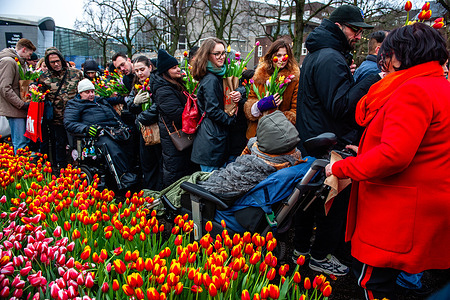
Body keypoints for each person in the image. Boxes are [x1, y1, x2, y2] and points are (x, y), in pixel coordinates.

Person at [326, 23, 450, 299]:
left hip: (398, 209)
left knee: (375, 283)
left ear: (400, 55)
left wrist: (341, 167)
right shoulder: (439, 86)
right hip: (424, 203)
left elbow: (394, 155)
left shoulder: (412, 90)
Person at [293, 5, 379, 277]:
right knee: (331, 201)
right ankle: (319, 256)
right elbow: (341, 107)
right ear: (340, 26)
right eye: (355, 30)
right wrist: (368, 82)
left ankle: (300, 250)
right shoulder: (331, 57)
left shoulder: (323, 54)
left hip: (316, 136)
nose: (358, 36)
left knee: (309, 199)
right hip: (329, 142)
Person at [64, 79, 137, 191]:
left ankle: (134, 172)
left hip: (114, 130)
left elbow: (114, 114)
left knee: (132, 139)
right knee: (111, 147)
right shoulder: (74, 105)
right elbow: (69, 123)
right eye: (87, 92)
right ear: (80, 93)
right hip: (96, 135)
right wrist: (86, 129)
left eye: (92, 91)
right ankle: (123, 177)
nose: (91, 94)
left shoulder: (100, 101)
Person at [150, 49, 199, 187]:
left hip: (179, 133)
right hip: (173, 136)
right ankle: (171, 201)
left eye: (177, 66)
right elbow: (176, 114)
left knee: (182, 170)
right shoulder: (163, 89)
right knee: (174, 172)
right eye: (174, 68)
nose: (178, 69)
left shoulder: (174, 84)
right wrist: (195, 109)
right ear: (165, 71)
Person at [190, 38, 237, 172]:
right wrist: (231, 120)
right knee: (209, 185)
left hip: (211, 138)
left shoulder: (213, 76)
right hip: (211, 141)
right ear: (207, 55)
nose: (221, 57)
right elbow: (212, 110)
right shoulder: (211, 79)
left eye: (223, 53)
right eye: (217, 53)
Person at [244, 39, 299, 139]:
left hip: (281, 135)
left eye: (285, 55)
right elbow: (249, 105)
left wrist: (275, 117)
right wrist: (259, 106)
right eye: (278, 55)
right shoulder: (259, 76)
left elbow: (295, 111)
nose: (282, 59)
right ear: (271, 56)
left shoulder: (294, 79)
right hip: (257, 133)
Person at [132, 55, 163, 190]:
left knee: (159, 164)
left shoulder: (158, 81)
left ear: (150, 67)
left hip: (158, 130)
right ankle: (149, 193)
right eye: (136, 70)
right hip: (144, 132)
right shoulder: (136, 84)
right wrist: (135, 103)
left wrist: (141, 117)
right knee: (147, 164)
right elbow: (129, 109)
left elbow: (159, 106)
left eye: (142, 69)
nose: (139, 73)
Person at [0, 38, 36, 154]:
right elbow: (5, 88)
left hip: (19, 108)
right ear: (24, 49)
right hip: (15, 109)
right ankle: (21, 169)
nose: (30, 58)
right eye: (29, 54)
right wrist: (21, 104)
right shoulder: (9, 62)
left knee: (22, 142)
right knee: (20, 142)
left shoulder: (20, 63)